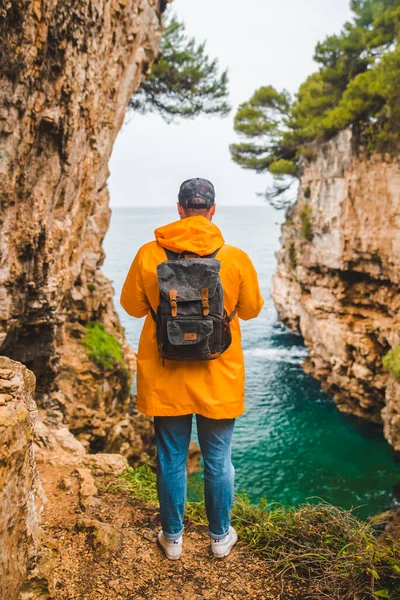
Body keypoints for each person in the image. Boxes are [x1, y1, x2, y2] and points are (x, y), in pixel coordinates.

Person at [120, 177, 264, 560]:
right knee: (218, 460)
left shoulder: (149, 255)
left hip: (165, 372)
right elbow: (251, 310)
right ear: (212, 210)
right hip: (219, 375)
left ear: (180, 208)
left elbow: (133, 307)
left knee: (171, 458)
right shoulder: (234, 258)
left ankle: (172, 539)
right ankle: (219, 539)